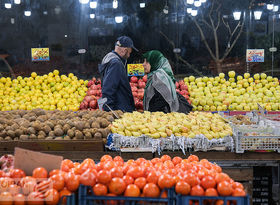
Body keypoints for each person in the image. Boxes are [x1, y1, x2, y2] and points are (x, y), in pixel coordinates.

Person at [99, 36, 138, 112]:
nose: (130, 54)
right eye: (130, 51)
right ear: (124, 50)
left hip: (119, 108)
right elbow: (108, 88)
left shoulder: (109, 59)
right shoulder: (116, 64)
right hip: (120, 109)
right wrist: (110, 111)